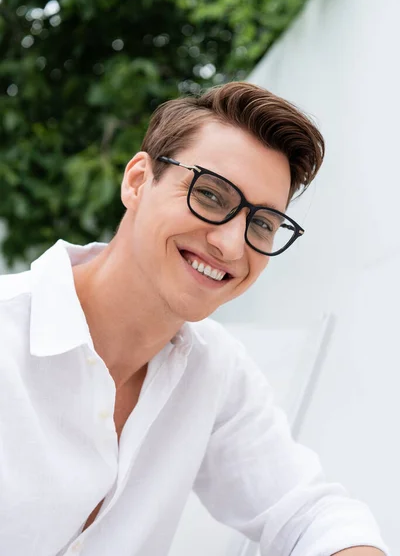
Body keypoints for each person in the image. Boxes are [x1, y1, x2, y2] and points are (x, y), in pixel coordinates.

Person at [0, 82, 390, 556]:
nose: (230, 244)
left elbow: (305, 512)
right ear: (138, 181)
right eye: (210, 195)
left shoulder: (214, 371)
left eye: (262, 223)